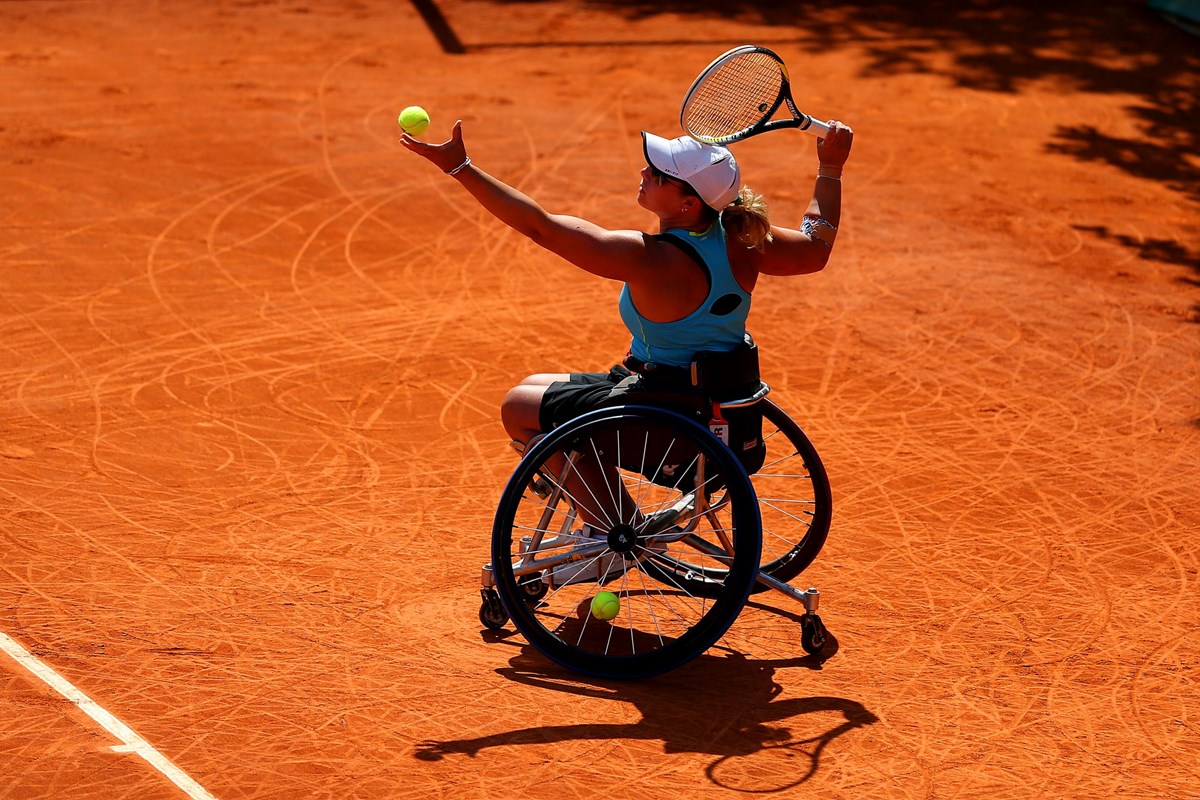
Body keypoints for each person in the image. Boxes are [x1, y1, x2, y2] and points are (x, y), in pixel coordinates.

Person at [401, 119, 852, 581]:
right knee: (536, 388)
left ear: (687, 202)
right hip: (724, 423)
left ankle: (615, 535)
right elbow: (816, 247)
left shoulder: (648, 257)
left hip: (670, 423)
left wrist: (461, 167)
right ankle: (610, 522)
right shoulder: (743, 239)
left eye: (656, 173)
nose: (643, 172)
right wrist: (830, 168)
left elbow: (541, 227)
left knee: (520, 407)